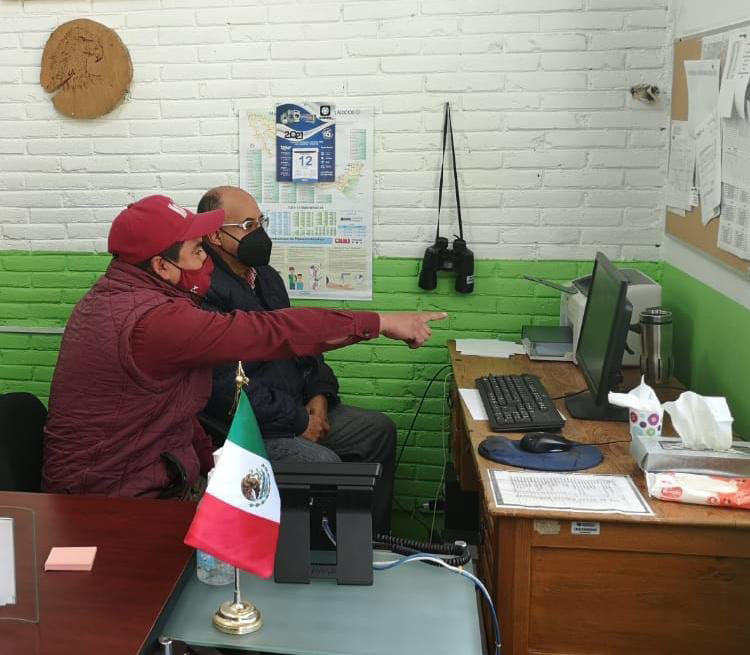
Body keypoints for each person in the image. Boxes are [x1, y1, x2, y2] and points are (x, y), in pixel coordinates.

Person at [41, 195, 446, 500]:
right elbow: (267, 334)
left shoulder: (138, 297)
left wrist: (209, 470)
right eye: (198, 252)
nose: (206, 262)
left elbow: (178, 415)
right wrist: (379, 322)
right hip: (112, 495)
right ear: (162, 267)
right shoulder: (153, 320)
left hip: (161, 468)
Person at [197, 186, 403, 534]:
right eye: (248, 225)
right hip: (254, 427)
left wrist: (319, 396)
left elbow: (304, 345)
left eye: (261, 221)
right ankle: (327, 558)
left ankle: (372, 543)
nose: (259, 233)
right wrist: (297, 421)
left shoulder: (268, 279)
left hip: (299, 407)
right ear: (216, 236)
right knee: (324, 464)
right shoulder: (204, 293)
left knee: (377, 432)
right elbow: (223, 389)